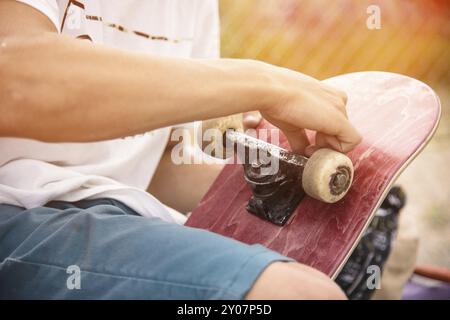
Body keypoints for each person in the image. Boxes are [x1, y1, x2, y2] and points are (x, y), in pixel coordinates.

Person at [0, 0, 361, 299]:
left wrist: (277, 180)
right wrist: (266, 84)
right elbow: (14, 84)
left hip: (111, 213)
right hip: (15, 207)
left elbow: (153, 164)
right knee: (293, 296)